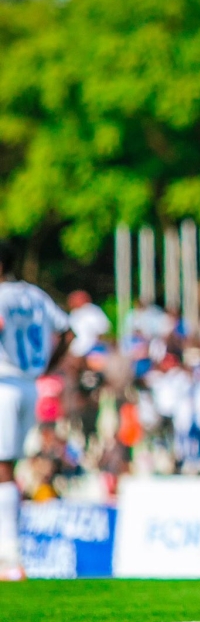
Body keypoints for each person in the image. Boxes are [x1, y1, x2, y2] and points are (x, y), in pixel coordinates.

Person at [0, 240, 74, 581]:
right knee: (8, 470)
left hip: (5, 383)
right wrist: (46, 366)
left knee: (3, 471)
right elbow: (69, 331)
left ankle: (10, 559)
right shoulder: (35, 295)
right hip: (30, 383)